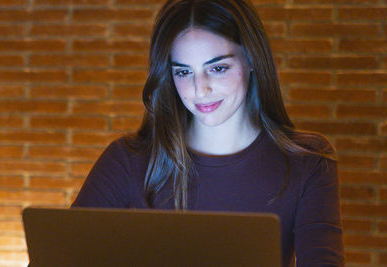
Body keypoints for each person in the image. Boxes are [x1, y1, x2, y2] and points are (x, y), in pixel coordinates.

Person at [72, 0, 344, 266]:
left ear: (252, 60)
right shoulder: (127, 160)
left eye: (217, 68)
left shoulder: (308, 161)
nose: (200, 89)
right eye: (183, 72)